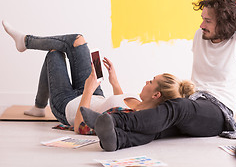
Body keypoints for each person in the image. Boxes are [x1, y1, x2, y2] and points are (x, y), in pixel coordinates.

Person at [79, 0, 236, 151]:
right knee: (161, 125)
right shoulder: (199, 36)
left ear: (224, 23)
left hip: (218, 112)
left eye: (208, 21)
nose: (202, 25)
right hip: (195, 102)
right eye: (202, 19)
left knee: (178, 107)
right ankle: (118, 140)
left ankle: (115, 121)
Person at [2, 20, 195, 134]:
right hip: (94, 92)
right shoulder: (140, 102)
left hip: (68, 105)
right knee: (78, 40)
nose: (147, 81)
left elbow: (80, 126)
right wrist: (114, 81)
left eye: (151, 82)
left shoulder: (132, 118)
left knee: (54, 53)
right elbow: (119, 99)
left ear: (156, 95)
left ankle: (26, 44)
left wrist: (88, 89)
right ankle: (26, 43)